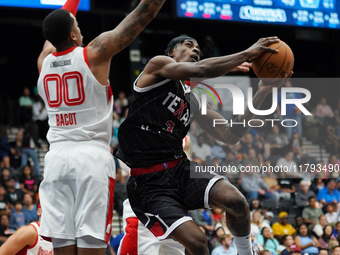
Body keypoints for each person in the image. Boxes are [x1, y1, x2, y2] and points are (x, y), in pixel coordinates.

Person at [115, 33, 291, 255]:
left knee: (236, 201)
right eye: (188, 45)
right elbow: (200, 71)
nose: (196, 50)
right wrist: (247, 53)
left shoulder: (194, 101)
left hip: (179, 170)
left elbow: (230, 135)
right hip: (149, 182)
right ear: (170, 53)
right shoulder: (157, 66)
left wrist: (261, 93)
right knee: (198, 242)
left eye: (198, 48)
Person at [36, 0, 168, 253]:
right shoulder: (93, 53)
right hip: (90, 159)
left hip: (55, 161)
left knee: (63, 245)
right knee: (92, 243)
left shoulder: (43, 63)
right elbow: (145, 12)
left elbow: (58, 26)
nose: (82, 30)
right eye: (78, 25)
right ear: (73, 35)